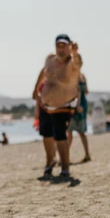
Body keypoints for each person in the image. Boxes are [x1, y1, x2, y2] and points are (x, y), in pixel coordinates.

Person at [32, 34, 82, 178]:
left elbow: (78, 63)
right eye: (58, 46)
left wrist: (75, 53)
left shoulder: (72, 63)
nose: (61, 49)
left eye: (64, 46)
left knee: (60, 136)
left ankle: (65, 167)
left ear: (68, 46)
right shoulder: (50, 59)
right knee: (46, 135)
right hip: (46, 104)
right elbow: (43, 72)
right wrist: (36, 89)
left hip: (63, 104)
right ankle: (49, 162)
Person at [67, 73, 92, 162]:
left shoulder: (74, 76)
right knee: (80, 132)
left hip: (76, 104)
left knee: (70, 131)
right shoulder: (83, 76)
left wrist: (77, 105)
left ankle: (66, 157)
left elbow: (77, 92)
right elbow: (86, 91)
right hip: (83, 104)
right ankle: (87, 154)